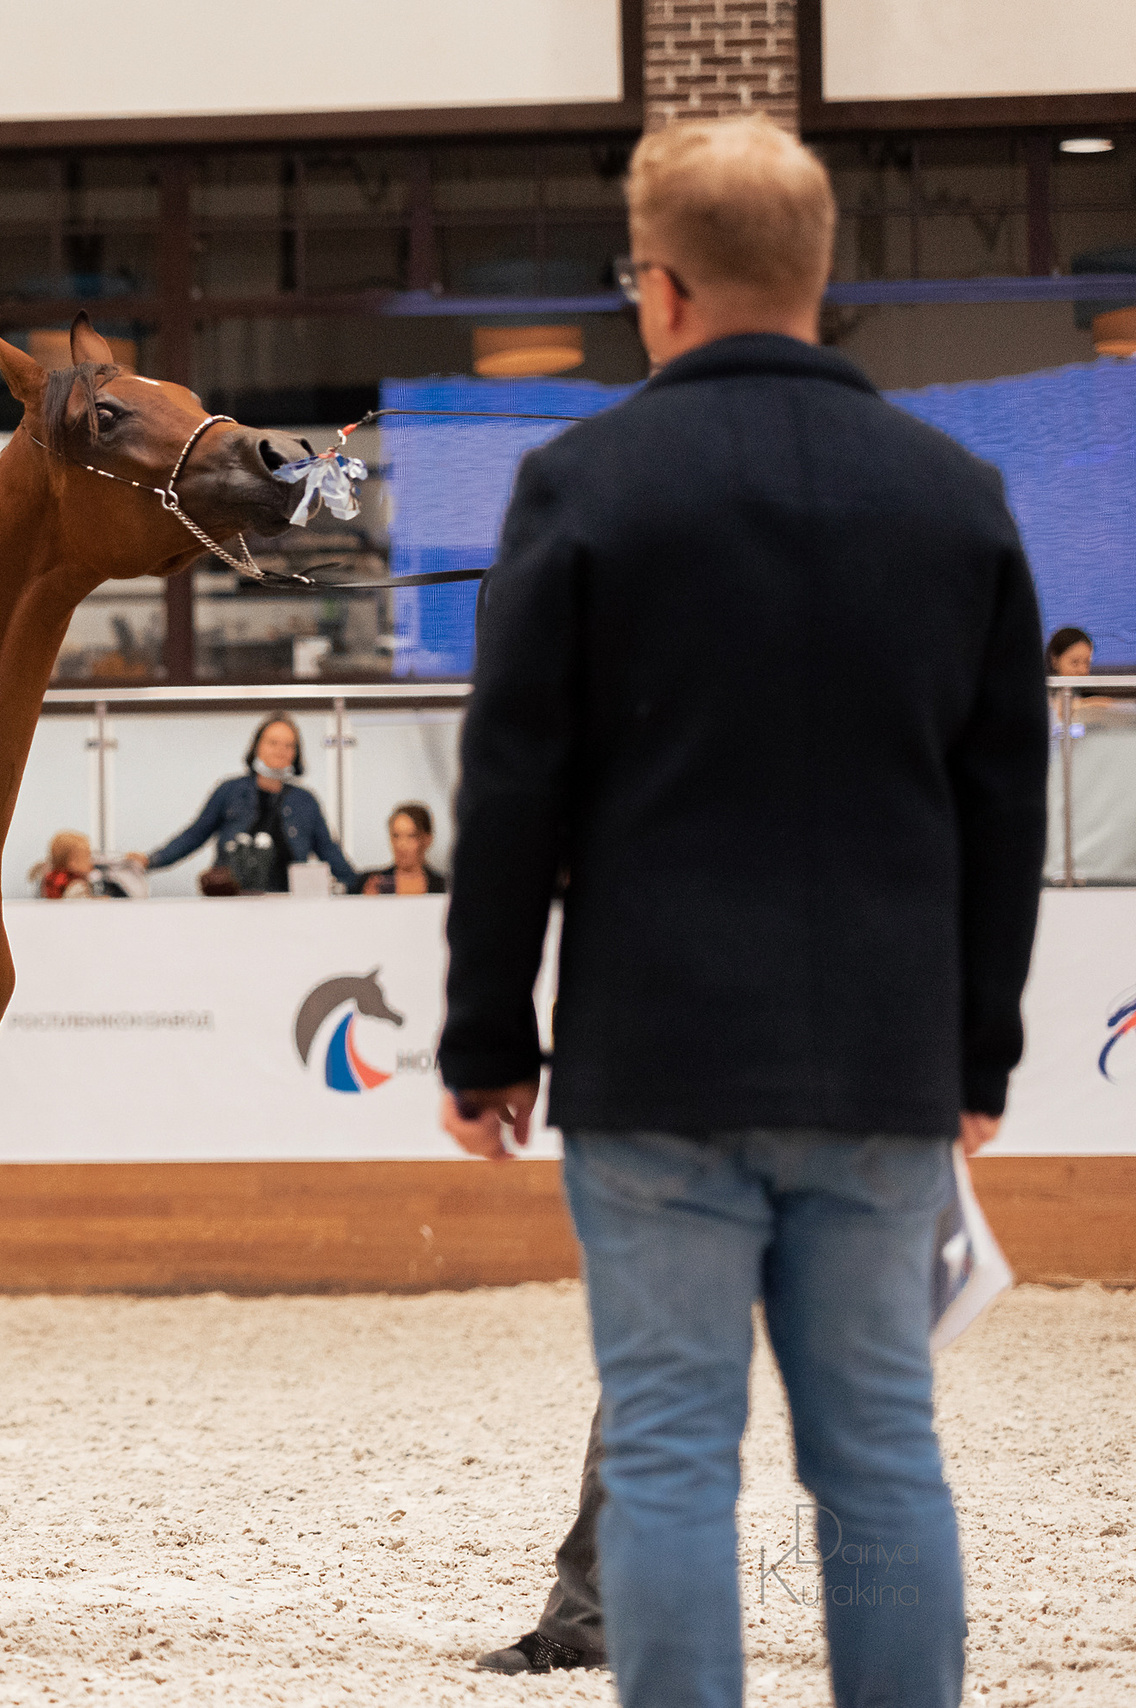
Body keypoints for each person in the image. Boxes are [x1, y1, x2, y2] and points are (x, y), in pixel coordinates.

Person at [438, 118, 1046, 1708]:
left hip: (656, 1063)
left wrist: (488, 1036)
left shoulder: (579, 484)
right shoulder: (957, 495)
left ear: (660, 286)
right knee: (880, 1459)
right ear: (822, 274)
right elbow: (1002, 810)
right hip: (879, 1065)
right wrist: (979, 1055)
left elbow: (515, 792)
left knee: (669, 1457)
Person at [140, 713, 359, 892]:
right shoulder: (230, 791)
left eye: (289, 746)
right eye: (273, 743)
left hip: (289, 905)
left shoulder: (305, 801)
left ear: (296, 753)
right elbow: (195, 835)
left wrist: (360, 883)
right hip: (232, 902)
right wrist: (150, 861)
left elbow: (329, 851)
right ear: (257, 746)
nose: (280, 751)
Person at [359, 802, 446, 895]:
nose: (401, 845)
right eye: (396, 836)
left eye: (411, 836)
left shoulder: (444, 886)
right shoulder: (371, 882)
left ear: (427, 839)